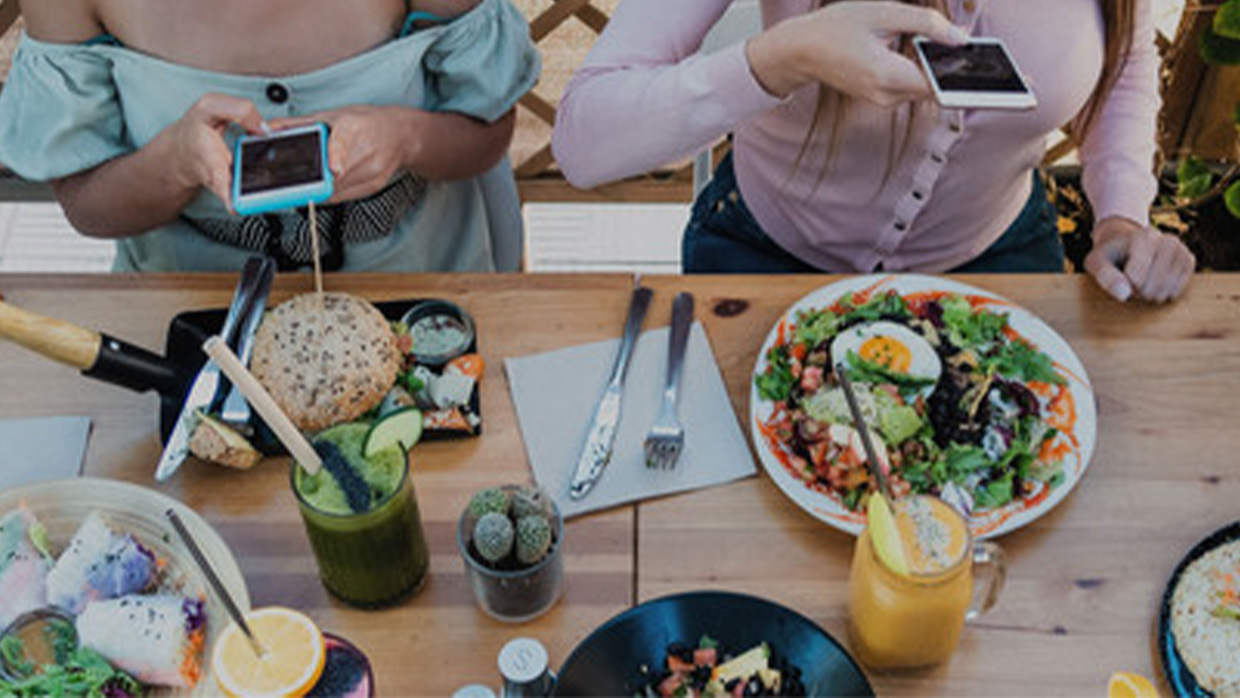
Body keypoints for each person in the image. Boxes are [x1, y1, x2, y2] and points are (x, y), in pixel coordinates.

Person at [552, 0, 1195, 302]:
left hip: (995, 259)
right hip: (763, 255)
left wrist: (1121, 209)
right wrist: (782, 59)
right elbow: (584, 140)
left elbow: (1129, 56)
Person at [0, 0, 540, 272]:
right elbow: (87, 206)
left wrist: (405, 139)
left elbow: (487, 133)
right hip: (191, 310)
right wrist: (174, 164)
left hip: (422, 280)